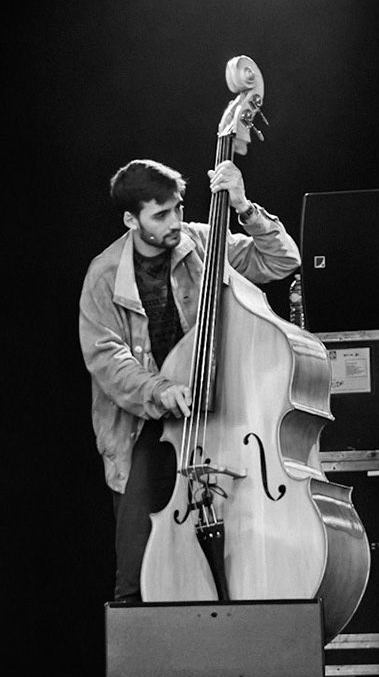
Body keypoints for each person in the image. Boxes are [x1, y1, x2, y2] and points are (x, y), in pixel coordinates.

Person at [79, 157, 301, 602]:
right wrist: (161, 390)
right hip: (147, 426)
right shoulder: (103, 276)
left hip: (218, 418)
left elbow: (282, 260)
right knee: (135, 574)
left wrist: (243, 206)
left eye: (178, 208)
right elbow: (108, 361)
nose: (175, 222)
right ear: (131, 219)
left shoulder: (202, 242)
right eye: (160, 215)